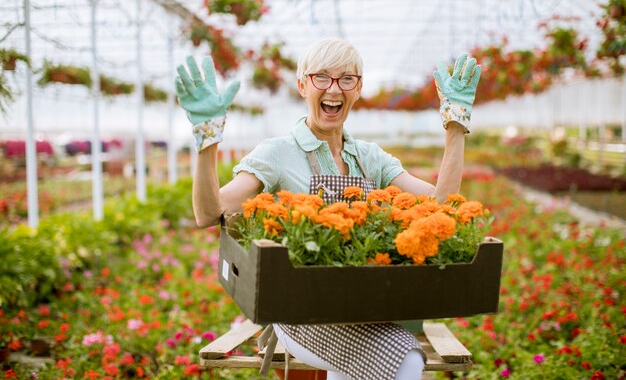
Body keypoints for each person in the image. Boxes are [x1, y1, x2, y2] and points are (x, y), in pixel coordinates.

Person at [175, 38, 481, 380]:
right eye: (322, 77)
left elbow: (442, 206)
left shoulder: (370, 158)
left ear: (359, 88)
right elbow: (209, 212)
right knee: (404, 356)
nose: (333, 88)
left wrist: (455, 127)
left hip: (366, 309)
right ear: (303, 85)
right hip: (300, 315)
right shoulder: (276, 153)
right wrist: (208, 139)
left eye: (346, 79)